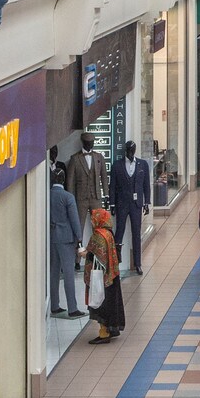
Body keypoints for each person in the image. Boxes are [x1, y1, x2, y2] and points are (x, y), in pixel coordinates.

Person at [83, 207, 126, 345]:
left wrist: (85, 254)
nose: (92, 221)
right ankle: (112, 329)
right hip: (112, 276)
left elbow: (96, 255)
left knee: (101, 304)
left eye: (93, 218)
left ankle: (104, 333)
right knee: (111, 303)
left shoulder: (98, 235)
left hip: (100, 278)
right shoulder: (108, 233)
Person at [109, 140, 151, 274]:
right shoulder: (117, 165)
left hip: (136, 204)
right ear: (126, 151)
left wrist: (147, 202)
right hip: (122, 203)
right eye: (129, 150)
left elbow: (146, 185)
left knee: (136, 233)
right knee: (119, 231)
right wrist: (112, 203)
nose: (131, 153)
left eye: (133, 150)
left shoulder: (142, 165)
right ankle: (116, 262)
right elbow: (112, 186)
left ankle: (138, 263)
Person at [48, 175, 85, 318]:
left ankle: (54, 305)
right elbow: (74, 219)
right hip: (66, 238)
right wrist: (79, 238)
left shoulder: (47, 195)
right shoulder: (68, 197)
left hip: (52, 237)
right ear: (63, 180)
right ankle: (72, 308)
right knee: (69, 273)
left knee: (54, 272)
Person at [62, 132, 106, 235]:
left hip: (96, 197)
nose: (90, 144)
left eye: (92, 142)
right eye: (88, 142)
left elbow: (104, 177)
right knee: (78, 226)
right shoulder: (75, 159)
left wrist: (106, 194)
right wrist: (71, 198)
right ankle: (78, 244)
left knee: (98, 227)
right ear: (83, 142)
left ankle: (97, 245)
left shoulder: (99, 157)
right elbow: (70, 181)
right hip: (81, 198)